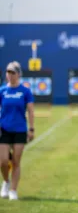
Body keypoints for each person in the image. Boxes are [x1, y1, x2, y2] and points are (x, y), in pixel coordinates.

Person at [0, 61, 35, 200]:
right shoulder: (2, 90)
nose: (10, 75)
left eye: (12, 72)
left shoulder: (25, 91)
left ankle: (13, 190)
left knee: (16, 161)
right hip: (4, 129)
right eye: (8, 72)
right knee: (2, 161)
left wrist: (31, 129)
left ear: (19, 74)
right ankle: (6, 182)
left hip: (20, 129)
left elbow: (31, 111)